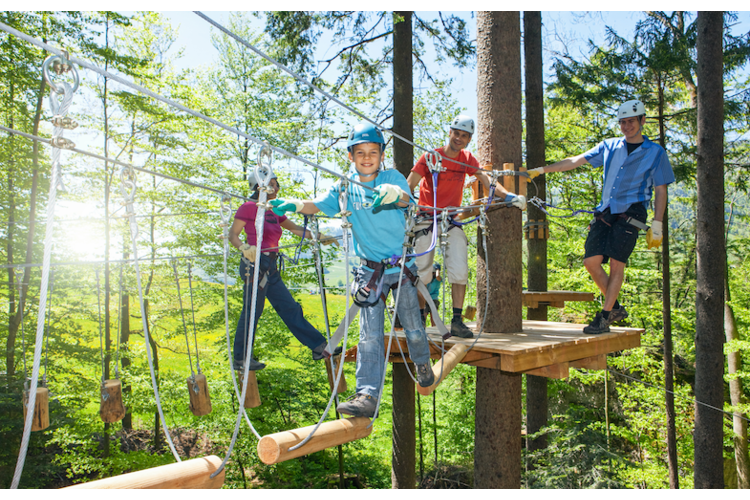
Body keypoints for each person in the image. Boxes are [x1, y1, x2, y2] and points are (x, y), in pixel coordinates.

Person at [269, 123, 435, 418]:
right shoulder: (345, 187)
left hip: (401, 268)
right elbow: (320, 205)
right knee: (369, 336)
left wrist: (392, 194)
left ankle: (422, 363)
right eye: (360, 152)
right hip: (370, 272)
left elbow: (406, 198)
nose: (367, 157)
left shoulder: (390, 177)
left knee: (412, 325)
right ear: (351, 156)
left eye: (373, 152)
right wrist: (294, 204)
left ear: (382, 154)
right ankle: (367, 395)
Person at [527, 99, 675, 334]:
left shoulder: (655, 153)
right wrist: (542, 170)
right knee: (591, 262)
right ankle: (614, 307)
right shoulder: (609, 146)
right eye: (623, 122)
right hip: (606, 210)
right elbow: (576, 160)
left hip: (632, 212)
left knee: (617, 264)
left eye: (631, 122)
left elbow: (660, 189)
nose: (627, 127)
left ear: (642, 121)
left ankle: (605, 318)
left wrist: (657, 222)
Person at [406, 115, 526, 339]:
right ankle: (420, 316)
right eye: (456, 133)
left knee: (459, 268)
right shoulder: (430, 157)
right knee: (423, 271)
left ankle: (457, 320)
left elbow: (487, 180)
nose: (459, 138)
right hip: (426, 219)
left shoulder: (467, 159)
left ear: (469, 139)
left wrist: (509, 196)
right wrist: (402, 202)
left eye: (464, 136)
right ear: (450, 132)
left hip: (451, 220)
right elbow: (409, 183)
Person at [228, 172, 341, 371]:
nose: (276, 188)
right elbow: (233, 234)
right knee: (253, 310)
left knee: (290, 308)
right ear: (258, 187)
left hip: (270, 266)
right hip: (254, 264)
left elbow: (297, 229)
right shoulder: (248, 208)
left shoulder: (275, 210)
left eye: (276, 184)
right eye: (271, 185)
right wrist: (244, 248)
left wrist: (319, 236)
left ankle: (318, 346)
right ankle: (241, 358)